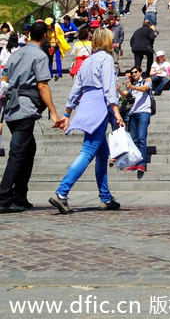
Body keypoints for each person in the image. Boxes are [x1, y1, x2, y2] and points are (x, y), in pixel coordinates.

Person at [49, 28, 124, 214]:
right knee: (88, 152)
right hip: (100, 106)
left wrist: (67, 112)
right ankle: (62, 192)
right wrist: (116, 111)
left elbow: (76, 88)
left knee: (102, 153)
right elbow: (108, 88)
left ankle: (105, 197)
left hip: (87, 104)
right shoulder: (107, 59)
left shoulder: (87, 60)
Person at [0, 22, 65, 212]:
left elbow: (4, 81)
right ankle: (3, 197)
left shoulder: (15, 54)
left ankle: (20, 195)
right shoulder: (40, 55)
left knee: (29, 149)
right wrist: (54, 113)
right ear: (44, 36)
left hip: (11, 107)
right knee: (18, 153)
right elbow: (42, 85)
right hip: (25, 108)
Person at [119, 66, 151, 172]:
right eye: (132, 73)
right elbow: (126, 94)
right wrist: (119, 90)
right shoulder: (132, 85)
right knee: (134, 139)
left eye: (136, 72)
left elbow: (145, 88)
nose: (134, 74)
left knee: (141, 137)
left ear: (141, 72)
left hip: (144, 112)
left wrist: (131, 86)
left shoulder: (147, 80)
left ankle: (142, 163)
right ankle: (135, 162)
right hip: (133, 112)